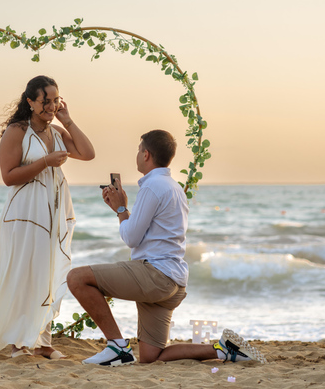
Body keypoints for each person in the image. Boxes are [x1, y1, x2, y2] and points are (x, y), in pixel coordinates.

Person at [67, 129, 266, 366]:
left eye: (139, 150)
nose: (137, 155)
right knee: (152, 358)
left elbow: (131, 238)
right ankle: (223, 350)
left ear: (146, 154)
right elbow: (148, 235)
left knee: (77, 278)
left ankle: (118, 347)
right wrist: (123, 210)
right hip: (174, 281)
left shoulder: (152, 187)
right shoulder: (173, 187)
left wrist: (121, 210)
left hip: (155, 276)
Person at [0, 75, 95, 359]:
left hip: (52, 213)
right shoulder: (17, 131)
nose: (51, 106)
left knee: (49, 274)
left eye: (55, 100)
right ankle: (19, 343)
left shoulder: (58, 133)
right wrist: (45, 162)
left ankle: (43, 343)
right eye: (45, 101)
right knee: (24, 274)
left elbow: (88, 154)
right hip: (24, 215)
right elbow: (8, 176)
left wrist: (68, 120)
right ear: (30, 102)